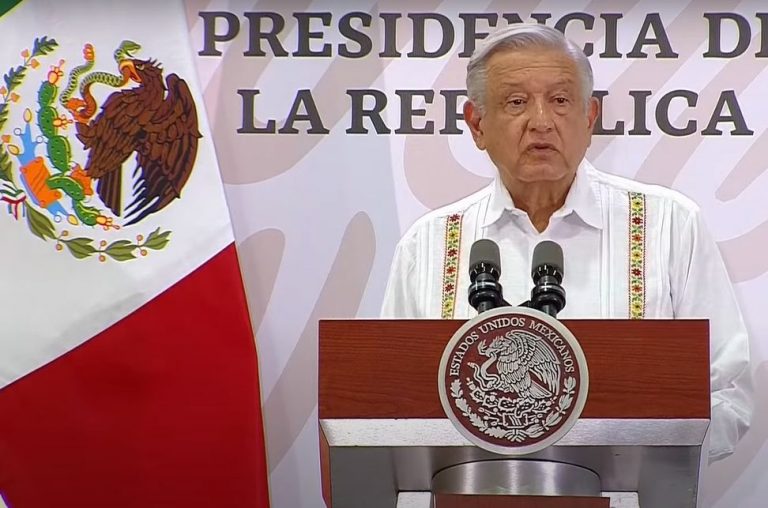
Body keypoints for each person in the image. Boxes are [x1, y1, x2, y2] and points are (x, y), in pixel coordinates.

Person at [380, 23, 751, 462]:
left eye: (559, 101)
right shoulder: (429, 244)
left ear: (589, 118)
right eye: (516, 102)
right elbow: (388, 405)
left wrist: (637, 454)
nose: (541, 122)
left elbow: (727, 391)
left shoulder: (668, 226)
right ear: (477, 125)